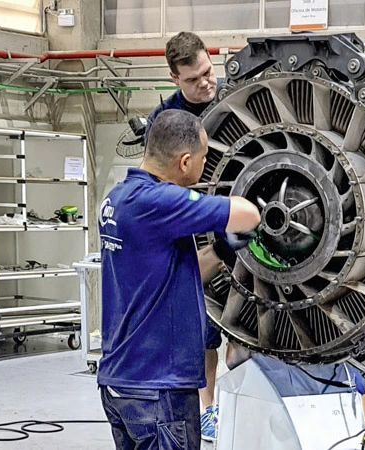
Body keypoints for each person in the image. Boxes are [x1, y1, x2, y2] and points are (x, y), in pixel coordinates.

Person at [98, 109, 260, 450]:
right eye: (204, 157)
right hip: (159, 390)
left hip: (122, 381)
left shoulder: (118, 198)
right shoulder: (160, 201)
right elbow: (249, 214)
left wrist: (219, 250)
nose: (205, 164)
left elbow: (169, 272)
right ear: (185, 162)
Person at [143, 31, 224, 442]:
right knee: (205, 327)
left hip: (237, 220)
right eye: (193, 79)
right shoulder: (166, 122)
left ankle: (241, 402)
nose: (206, 83)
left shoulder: (237, 97)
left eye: (208, 72)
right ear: (174, 77)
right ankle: (208, 408)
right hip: (194, 231)